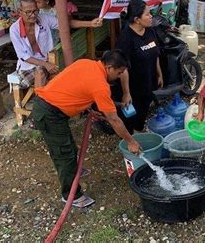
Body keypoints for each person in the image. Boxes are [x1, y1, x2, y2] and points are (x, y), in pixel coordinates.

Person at [32, 50, 142, 208]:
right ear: (109, 67)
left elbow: (75, 86)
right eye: (119, 73)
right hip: (49, 113)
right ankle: (71, 195)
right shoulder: (100, 86)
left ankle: (72, 172)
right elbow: (114, 120)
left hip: (50, 106)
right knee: (64, 154)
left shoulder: (86, 63)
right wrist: (130, 141)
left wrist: (87, 107)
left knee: (67, 147)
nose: (119, 77)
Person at [10, 0, 102, 89]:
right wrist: (46, 64)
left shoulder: (43, 18)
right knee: (40, 74)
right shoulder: (14, 29)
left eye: (35, 11)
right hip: (28, 65)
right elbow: (23, 56)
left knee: (45, 75)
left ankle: (41, 100)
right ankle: (41, 101)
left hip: (47, 60)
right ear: (19, 12)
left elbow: (66, 23)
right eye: (28, 12)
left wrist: (90, 23)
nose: (33, 15)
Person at [114, 0, 163, 134]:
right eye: (147, 14)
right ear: (137, 19)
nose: (151, 16)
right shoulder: (126, 39)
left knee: (143, 110)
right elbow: (122, 69)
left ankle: (139, 131)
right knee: (130, 115)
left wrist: (159, 74)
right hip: (133, 87)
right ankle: (130, 138)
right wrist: (126, 93)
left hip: (148, 81)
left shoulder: (149, 31)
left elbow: (155, 53)